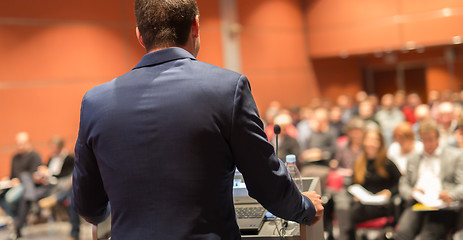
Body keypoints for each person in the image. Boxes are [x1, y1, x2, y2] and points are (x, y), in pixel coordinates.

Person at [71, 1, 323, 239]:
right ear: (196, 26)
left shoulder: (95, 102)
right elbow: (266, 183)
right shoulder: (228, 89)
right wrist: (305, 207)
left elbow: (87, 205)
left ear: (140, 35)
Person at [396, 120, 463, 240]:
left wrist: (451, 194)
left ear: (438, 138)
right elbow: (403, 183)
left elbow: (461, 185)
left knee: (428, 236)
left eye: (431, 140)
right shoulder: (414, 158)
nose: (428, 144)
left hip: (441, 206)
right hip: (417, 203)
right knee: (402, 233)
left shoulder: (455, 156)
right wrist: (411, 192)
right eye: (424, 140)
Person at [336, 130, 401, 240]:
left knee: (348, 213)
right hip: (362, 203)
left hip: (381, 205)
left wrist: (389, 192)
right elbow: (352, 185)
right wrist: (355, 195)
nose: (371, 143)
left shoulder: (387, 163)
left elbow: (400, 183)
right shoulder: (359, 162)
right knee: (343, 206)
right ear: (364, 142)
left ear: (380, 143)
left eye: (375, 140)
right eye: (369, 139)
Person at [0, 132, 45, 239]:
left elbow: (35, 175)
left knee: (10, 198)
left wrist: (19, 181)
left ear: (28, 143)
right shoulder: (15, 157)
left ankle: (18, 222)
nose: (20, 146)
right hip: (14, 184)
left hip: (28, 185)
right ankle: (17, 220)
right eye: (18, 144)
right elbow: (13, 174)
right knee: (1, 196)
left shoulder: (35, 155)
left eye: (22, 143)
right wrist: (8, 179)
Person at [38, 136, 80, 240]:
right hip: (49, 186)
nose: (52, 149)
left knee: (70, 200)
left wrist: (50, 174)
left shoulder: (70, 158)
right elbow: (46, 172)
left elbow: (70, 175)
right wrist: (41, 174)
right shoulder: (51, 158)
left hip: (62, 186)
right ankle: (55, 199)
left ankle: (74, 234)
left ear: (61, 147)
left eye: (54, 147)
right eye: (51, 147)